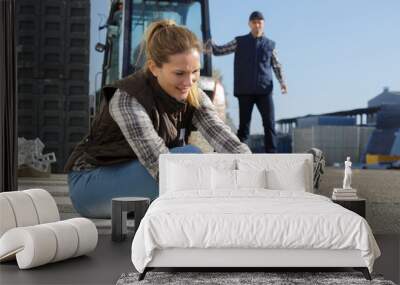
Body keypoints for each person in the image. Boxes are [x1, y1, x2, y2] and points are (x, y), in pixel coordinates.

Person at [64, 20, 251, 218]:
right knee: (190, 157)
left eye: (194, 72)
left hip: (142, 172)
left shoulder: (193, 94)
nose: (189, 82)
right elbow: (160, 165)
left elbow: (226, 141)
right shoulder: (127, 97)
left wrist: (256, 172)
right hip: (92, 184)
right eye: (179, 73)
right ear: (154, 68)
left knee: (202, 159)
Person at [206, 11, 287, 153]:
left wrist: (282, 82)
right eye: (254, 22)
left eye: (259, 22)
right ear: (249, 24)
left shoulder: (270, 45)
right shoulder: (240, 42)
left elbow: (276, 65)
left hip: (264, 91)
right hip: (245, 91)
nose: (257, 25)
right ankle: (237, 152)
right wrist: (210, 42)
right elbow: (219, 50)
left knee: (269, 124)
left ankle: (272, 154)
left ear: (263, 24)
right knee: (244, 128)